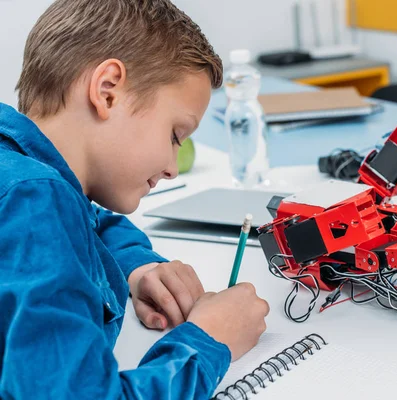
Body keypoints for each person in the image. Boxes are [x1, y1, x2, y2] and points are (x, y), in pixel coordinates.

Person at [0, 0, 270, 398]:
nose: (173, 168)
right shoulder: (35, 200)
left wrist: (137, 267)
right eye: (175, 135)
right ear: (108, 91)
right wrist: (210, 340)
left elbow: (91, 219)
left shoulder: (22, 172)